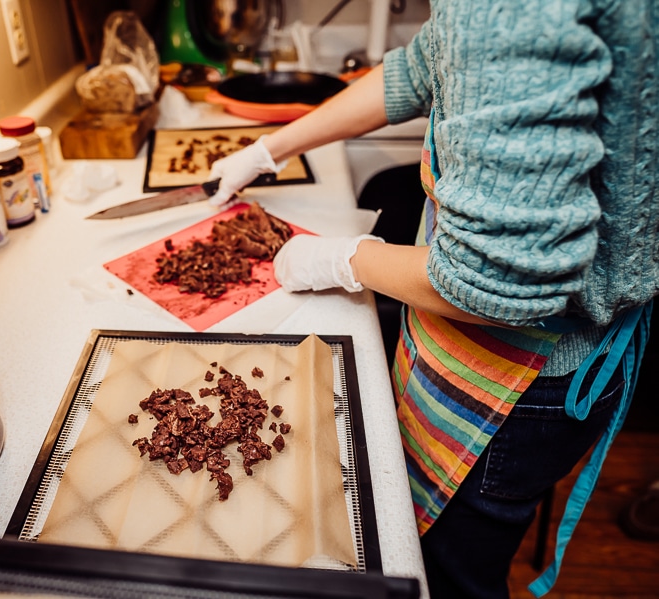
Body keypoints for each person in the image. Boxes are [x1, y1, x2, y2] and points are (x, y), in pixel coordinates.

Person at [206, 1, 658, 598]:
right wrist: (273, 148)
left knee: (447, 575)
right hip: (472, 339)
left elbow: (494, 283)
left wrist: (341, 259)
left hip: (523, 376)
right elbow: (423, 65)